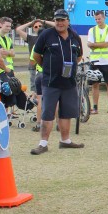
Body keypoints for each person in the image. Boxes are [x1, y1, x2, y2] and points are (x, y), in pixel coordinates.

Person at [30, 9, 85, 154]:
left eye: (62, 20)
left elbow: (79, 56)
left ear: (68, 21)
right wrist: (48, 67)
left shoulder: (75, 37)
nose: (60, 23)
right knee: (48, 113)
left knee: (66, 113)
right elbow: (36, 55)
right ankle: (43, 144)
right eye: (57, 20)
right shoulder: (46, 35)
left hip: (69, 82)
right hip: (51, 82)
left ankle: (65, 141)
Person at [87, 11, 108, 114]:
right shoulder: (91, 30)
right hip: (95, 61)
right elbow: (89, 45)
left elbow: (107, 44)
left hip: (107, 61)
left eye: (99, 19)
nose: (97, 21)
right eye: (96, 19)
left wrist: (94, 44)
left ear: (104, 18)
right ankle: (95, 108)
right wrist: (99, 44)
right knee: (95, 85)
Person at [16, 17, 55, 91]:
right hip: (33, 66)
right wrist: (31, 23)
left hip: (46, 67)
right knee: (35, 87)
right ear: (33, 29)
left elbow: (57, 25)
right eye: (36, 27)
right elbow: (18, 29)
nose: (38, 27)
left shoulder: (49, 38)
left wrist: (44, 21)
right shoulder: (31, 38)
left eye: (40, 26)